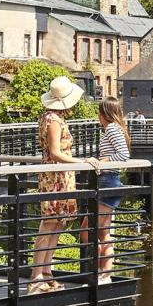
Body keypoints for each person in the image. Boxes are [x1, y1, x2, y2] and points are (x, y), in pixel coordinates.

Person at [29, 75, 93, 294]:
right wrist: (82, 161)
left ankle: (46, 272)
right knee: (49, 224)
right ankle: (36, 276)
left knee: (57, 224)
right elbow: (55, 153)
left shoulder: (50, 117)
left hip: (60, 176)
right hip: (55, 177)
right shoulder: (53, 120)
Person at [95, 97, 132, 282]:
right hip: (108, 180)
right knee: (103, 231)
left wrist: (104, 160)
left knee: (89, 229)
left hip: (108, 181)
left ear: (104, 113)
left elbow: (124, 155)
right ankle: (104, 274)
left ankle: (98, 273)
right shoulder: (115, 128)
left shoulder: (111, 128)